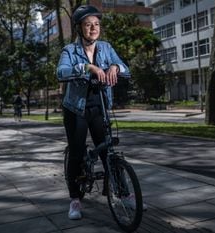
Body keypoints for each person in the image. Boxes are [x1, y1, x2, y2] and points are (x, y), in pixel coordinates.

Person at [57, 5, 131, 220]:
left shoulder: (106, 48)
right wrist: (87, 67)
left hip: (100, 106)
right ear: (80, 28)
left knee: (108, 151)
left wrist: (116, 67)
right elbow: (61, 72)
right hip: (75, 109)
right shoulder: (69, 51)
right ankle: (75, 200)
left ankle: (124, 195)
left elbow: (125, 67)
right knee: (77, 152)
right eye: (88, 25)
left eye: (96, 24)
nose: (93, 28)